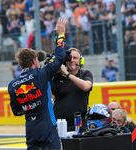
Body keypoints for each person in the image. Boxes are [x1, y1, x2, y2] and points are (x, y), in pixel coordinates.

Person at [8, 17, 67, 150]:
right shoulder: (41, 74)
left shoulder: (12, 85)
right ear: (35, 61)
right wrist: (61, 34)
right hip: (47, 127)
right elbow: (59, 57)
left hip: (31, 130)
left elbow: (16, 111)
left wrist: (30, 104)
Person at [51, 47, 93, 132]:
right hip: (60, 124)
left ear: (80, 61)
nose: (72, 60)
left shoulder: (85, 74)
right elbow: (50, 99)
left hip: (79, 124)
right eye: (69, 58)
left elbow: (86, 87)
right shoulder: (57, 77)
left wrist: (67, 74)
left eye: (75, 58)